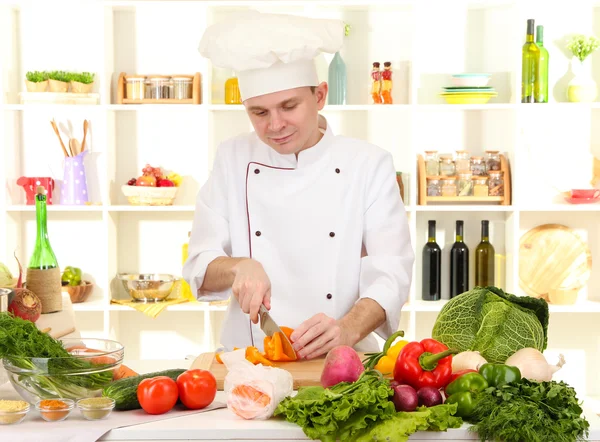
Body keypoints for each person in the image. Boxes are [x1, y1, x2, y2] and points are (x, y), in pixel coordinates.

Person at [184, 11, 414, 360]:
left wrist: (348, 329)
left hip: (343, 358)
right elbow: (200, 265)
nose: (275, 125)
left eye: (288, 106)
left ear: (320, 95)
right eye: (259, 113)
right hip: (248, 357)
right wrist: (238, 267)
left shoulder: (368, 164)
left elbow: (392, 271)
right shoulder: (232, 158)